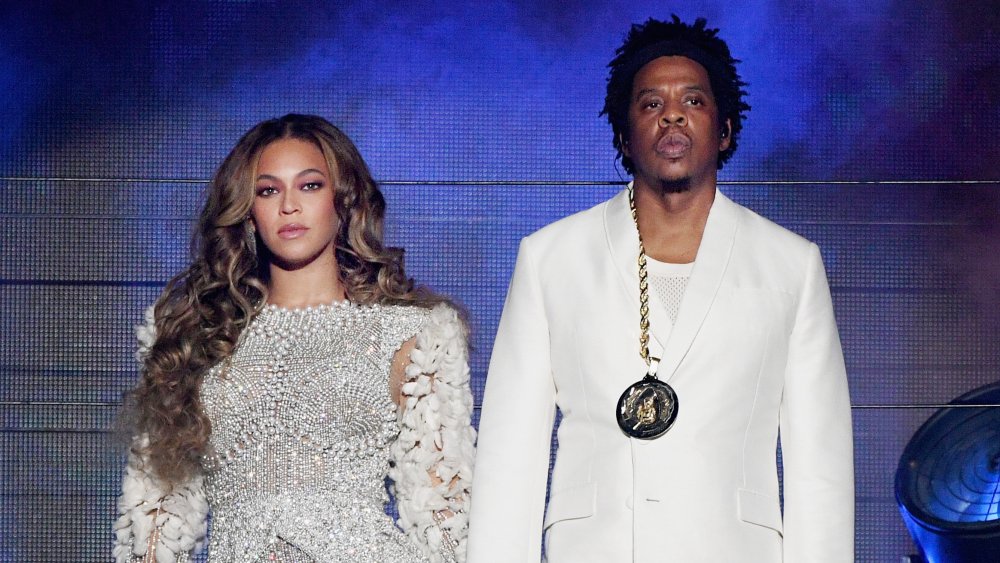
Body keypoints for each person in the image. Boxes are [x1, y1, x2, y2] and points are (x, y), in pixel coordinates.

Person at [468, 16, 854, 562]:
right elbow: (510, 457)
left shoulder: (790, 266)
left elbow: (821, 471)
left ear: (723, 130)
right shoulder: (550, 258)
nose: (672, 113)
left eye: (693, 101)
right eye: (651, 103)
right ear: (624, 135)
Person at [113, 114, 476, 563]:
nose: (289, 206)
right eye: (268, 190)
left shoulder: (412, 336)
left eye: (310, 186)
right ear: (247, 210)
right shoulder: (191, 336)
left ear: (344, 200)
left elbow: (444, 511)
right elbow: (156, 511)